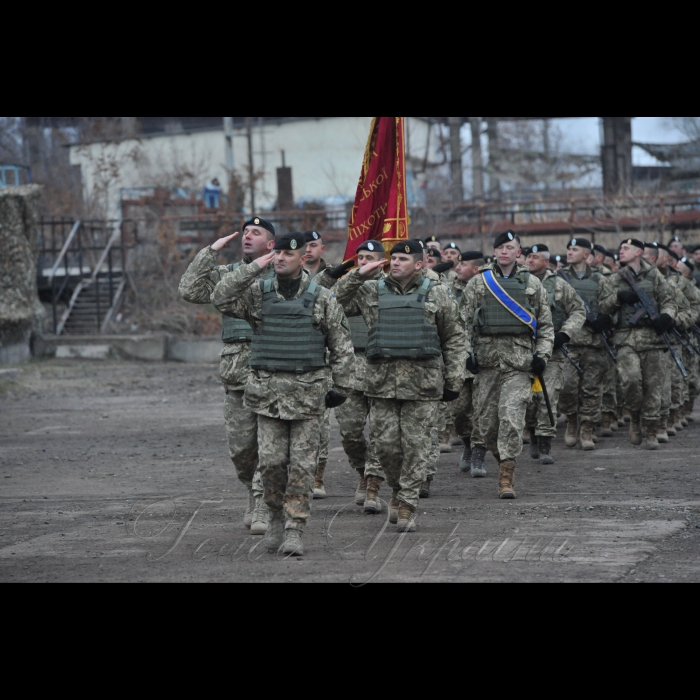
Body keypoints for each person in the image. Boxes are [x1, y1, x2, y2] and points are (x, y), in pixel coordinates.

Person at [212, 233, 355, 556]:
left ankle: (294, 529)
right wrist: (251, 268)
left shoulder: (322, 298)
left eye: (287, 254)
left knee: (302, 469)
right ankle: (275, 518)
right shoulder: (257, 295)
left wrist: (342, 389)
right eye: (275, 253)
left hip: (308, 398)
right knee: (272, 466)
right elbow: (220, 297)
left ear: (302, 258)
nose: (279, 258)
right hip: (268, 397)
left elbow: (342, 348)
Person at [335, 240, 466, 532]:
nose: (395, 263)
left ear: (419, 264)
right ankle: (396, 488)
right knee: (386, 449)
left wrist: (454, 379)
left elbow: (455, 338)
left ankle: (407, 503)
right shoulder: (370, 291)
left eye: (403, 259)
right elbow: (334, 301)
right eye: (393, 258)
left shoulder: (437, 293)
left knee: (417, 448)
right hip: (381, 384)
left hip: (424, 385)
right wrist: (358, 273)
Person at [179, 217, 276, 536]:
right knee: (241, 450)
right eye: (245, 232)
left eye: (256, 233)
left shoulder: (284, 275)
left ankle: (262, 501)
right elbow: (189, 290)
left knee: (269, 445)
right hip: (237, 372)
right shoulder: (228, 274)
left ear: (271, 243)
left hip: (274, 370)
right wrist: (210, 252)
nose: (248, 236)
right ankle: (252, 489)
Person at [461, 231, 554, 499]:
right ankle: (500, 457)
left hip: (519, 364)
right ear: (494, 251)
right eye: (500, 247)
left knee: (512, 419)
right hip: (487, 363)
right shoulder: (478, 283)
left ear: (518, 253)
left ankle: (506, 477)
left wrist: (543, 355)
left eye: (510, 247)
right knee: (487, 426)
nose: (504, 251)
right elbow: (463, 324)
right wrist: (467, 354)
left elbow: (546, 325)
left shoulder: (533, 284)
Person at [599, 239, 677, 450]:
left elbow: (669, 300)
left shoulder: (655, 277)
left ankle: (650, 430)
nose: (621, 251)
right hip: (625, 339)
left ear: (639, 252)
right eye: (621, 247)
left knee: (653, 387)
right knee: (631, 381)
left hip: (652, 339)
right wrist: (618, 297)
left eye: (626, 248)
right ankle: (634, 416)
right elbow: (603, 307)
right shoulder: (615, 279)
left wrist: (666, 317)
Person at [334, 240, 387, 512]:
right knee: (350, 433)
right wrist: (353, 277)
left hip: (384, 371)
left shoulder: (392, 287)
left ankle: (373, 486)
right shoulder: (351, 287)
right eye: (360, 257)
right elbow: (333, 300)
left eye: (370, 257)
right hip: (352, 370)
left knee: (380, 433)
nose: (363, 261)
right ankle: (362, 472)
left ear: (382, 261)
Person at [524, 245, 586, 464]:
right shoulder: (516, 283)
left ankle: (545, 443)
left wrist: (565, 334)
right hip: (523, 351)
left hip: (552, 351)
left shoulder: (559, 285)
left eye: (535, 257)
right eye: (528, 256)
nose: (530, 260)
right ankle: (531, 433)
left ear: (546, 262)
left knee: (548, 395)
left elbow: (579, 310)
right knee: (528, 398)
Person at [557, 238, 614, 451]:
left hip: (594, 342)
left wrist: (606, 320)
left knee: (592, 389)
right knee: (566, 386)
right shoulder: (559, 278)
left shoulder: (600, 280)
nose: (570, 252)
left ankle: (587, 428)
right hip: (568, 342)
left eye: (575, 249)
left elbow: (611, 307)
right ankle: (572, 420)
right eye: (568, 249)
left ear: (587, 255)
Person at [450, 252, 486, 472]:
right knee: (459, 411)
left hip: (483, 358)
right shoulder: (446, 288)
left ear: (476, 269)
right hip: (457, 359)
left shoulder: (489, 289)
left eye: (463, 264)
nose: (457, 267)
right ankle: (466, 443)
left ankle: (479, 454)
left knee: (481, 410)